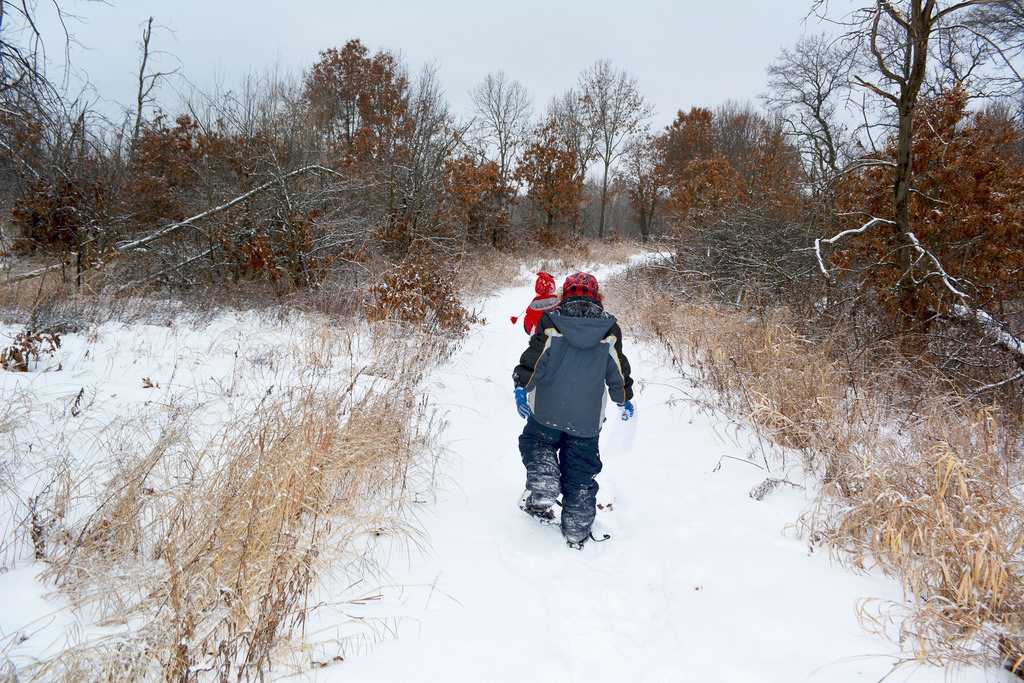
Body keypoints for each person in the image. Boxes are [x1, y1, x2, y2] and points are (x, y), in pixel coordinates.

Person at [511, 271, 635, 549]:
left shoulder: (552, 321)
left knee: (537, 442)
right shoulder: (609, 330)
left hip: (547, 410)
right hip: (587, 419)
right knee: (580, 470)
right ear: (597, 296)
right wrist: (623, 397)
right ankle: (577, 529)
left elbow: (535, 358)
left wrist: (521, 384)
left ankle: (543, 485)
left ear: (564, 294)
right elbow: (617, 369)